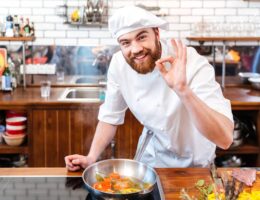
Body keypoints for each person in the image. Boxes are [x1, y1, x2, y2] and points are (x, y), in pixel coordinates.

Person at [65, 6, 234, 171]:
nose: (136, 49)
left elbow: (224, 139)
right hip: (152, 161)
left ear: (157, 34)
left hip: (195, 165)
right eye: (126, 43)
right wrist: (91, 157)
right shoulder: (119, 64)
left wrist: (182, 89)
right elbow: (110, 116)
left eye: (142, 37)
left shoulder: (190, 61)